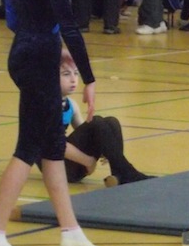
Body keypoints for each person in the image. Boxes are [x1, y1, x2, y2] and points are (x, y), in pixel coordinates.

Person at [0, 0, 110, 246]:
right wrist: (89, 78)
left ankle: (71, 231)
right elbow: (69, 25)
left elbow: (18, 17)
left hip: (24, 51)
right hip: (40, 60)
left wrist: (47, 40)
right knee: (28, 148)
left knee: (53, 146)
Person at [55, 49, 152, 186]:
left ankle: (118, 174)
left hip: (74, 166)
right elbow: (54, 143)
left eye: (76, 73)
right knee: (97, 122)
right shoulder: (43, 105)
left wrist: (106, 144)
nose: (73, 79)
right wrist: (87, 160)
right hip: (57, 168)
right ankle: (127, 172)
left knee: (111, 121)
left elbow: (87, 133)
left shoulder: (71, 105)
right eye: (66, 74)